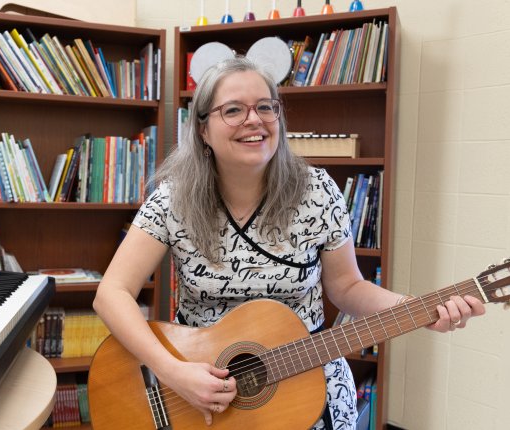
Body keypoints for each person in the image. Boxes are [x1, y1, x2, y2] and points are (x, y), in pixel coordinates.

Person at [92, 56, 485, 429]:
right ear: (202, 128)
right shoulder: (173, 198)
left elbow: (347, 288)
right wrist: (172, 371)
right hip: (197, 391)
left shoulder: (318, 192)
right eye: (233, 110)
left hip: (307, 378)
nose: (254, 120)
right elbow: (111, 293)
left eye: (266, 107)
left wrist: (417, 311)